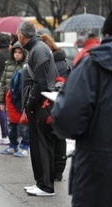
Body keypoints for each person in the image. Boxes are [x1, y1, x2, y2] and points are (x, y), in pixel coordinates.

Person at [51, 6, 112, 207]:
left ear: (106, 34)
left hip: (96, 173)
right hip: (96, 169)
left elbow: (67, 120)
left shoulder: (91, 65)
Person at [17, 21, 58, 197]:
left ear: (21, 35)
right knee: (38, 143)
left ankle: (46, 185)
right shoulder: (36, 48)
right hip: (40, 102)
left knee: (42, 144)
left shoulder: (38, 49)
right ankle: (41, 182)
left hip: (42, 103)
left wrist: (31, 104)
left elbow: (40, 82)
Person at [40, 33, 73, 181]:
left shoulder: (50, 63)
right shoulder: (67, 61)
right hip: (67, 103)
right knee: (61, 137)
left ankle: (52, 170)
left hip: (51, 103)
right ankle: (59, 170)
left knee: (50, 137)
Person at [0, 41, 29, 157]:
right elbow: (3, 82)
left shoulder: (26, 67)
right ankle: (13, 144)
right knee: (11, 124)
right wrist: (1, 100)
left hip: (20, 99)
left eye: (20, 52)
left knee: (23, 125)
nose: (17, 54)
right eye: (15, 52)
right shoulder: (8, 64)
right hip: (9, 99)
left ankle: (24, 146)